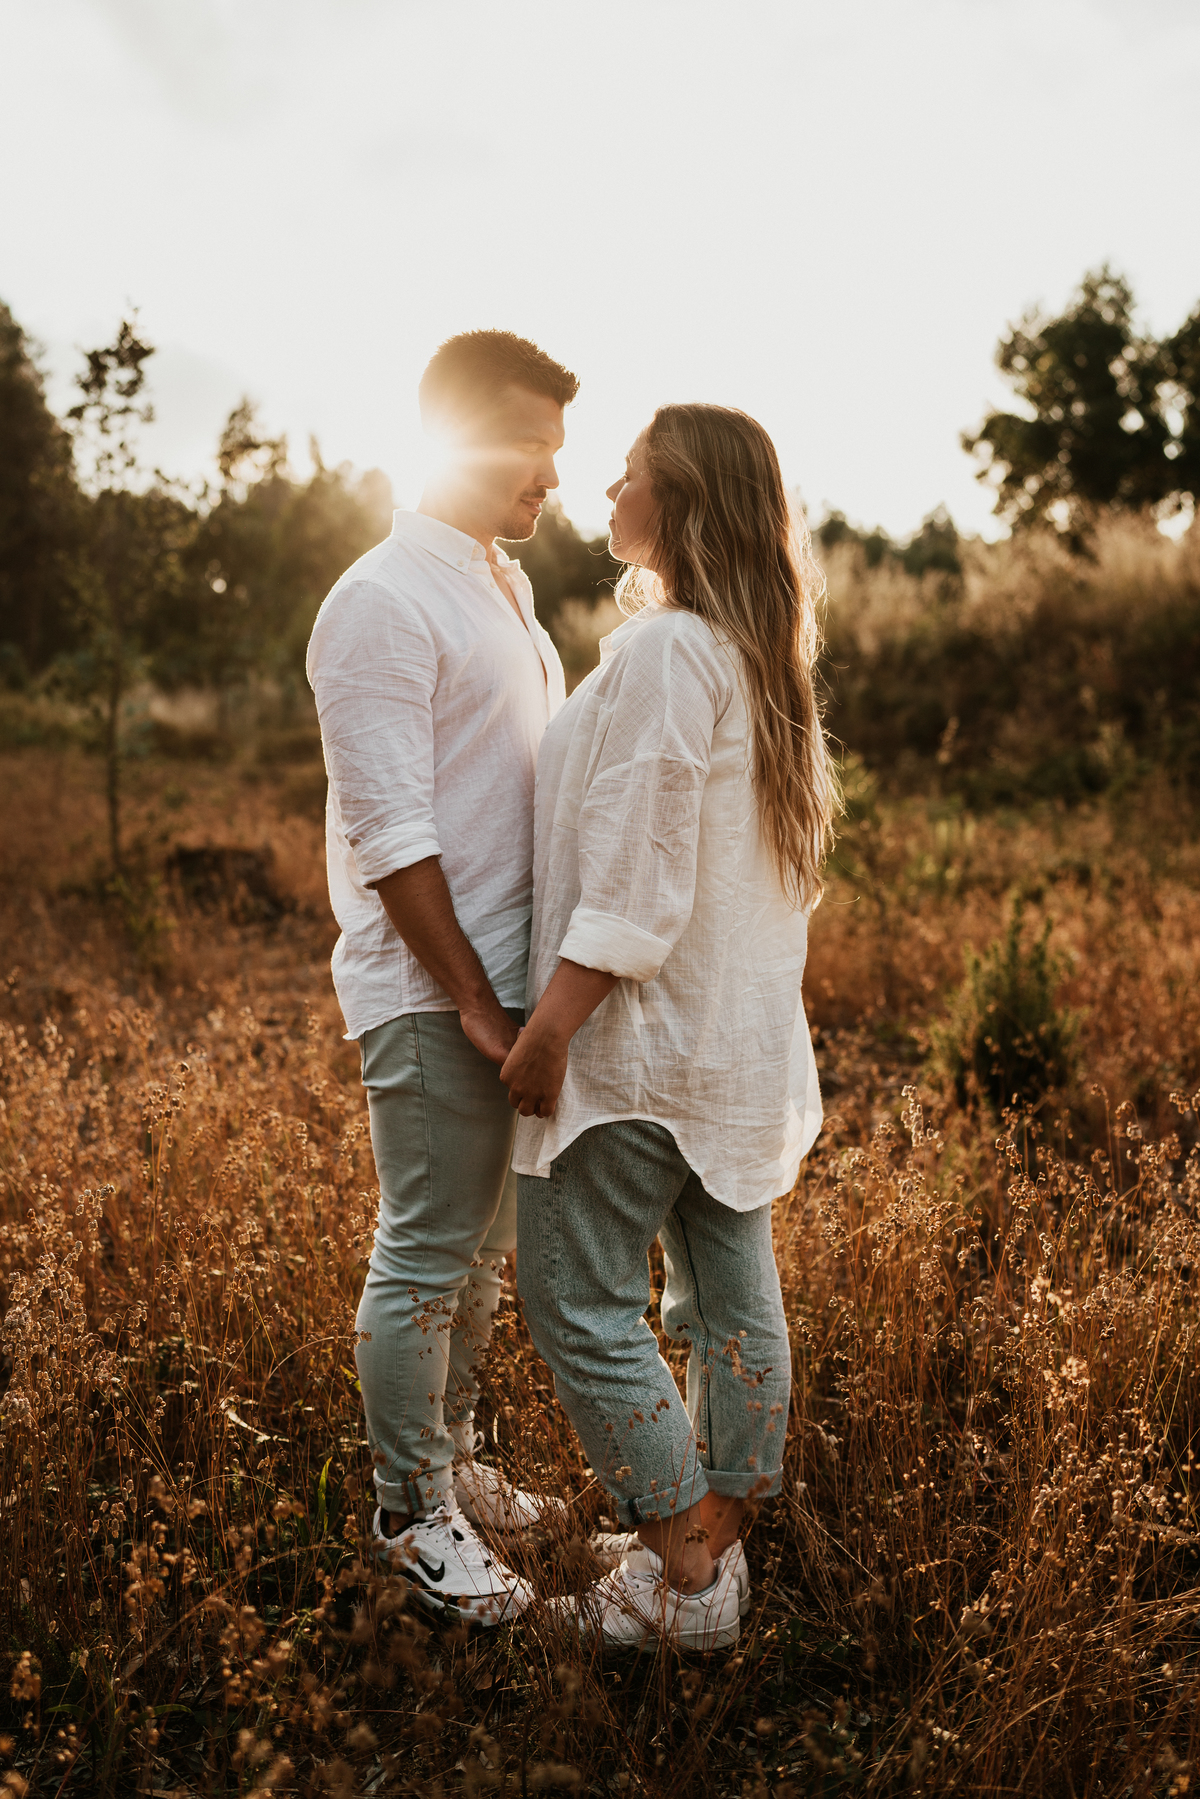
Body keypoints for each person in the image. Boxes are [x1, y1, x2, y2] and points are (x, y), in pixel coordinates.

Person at [501, 403, 837, 1650]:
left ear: (680, 502)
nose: (607, 482)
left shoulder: (664, 654)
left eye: (631, 471)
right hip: (732, 1050)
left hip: (642, 1043)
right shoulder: (754, 655)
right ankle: (715, 1532)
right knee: (727, 1291)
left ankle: (687, 1566)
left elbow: (638, 878)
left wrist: (551, 1029)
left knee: (575, 1295)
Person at [306, 330, 576, 1625]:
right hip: (431, 985)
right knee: (423, 1246)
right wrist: (471, 993)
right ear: (459, 434)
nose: (552, 474)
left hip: (511, 981)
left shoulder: (501, 587)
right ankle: (410, 1513)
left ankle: (457, 1454)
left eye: (559, 448)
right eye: (530, 441)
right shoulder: (380, 599)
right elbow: (391, 831)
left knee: (480, 1251)